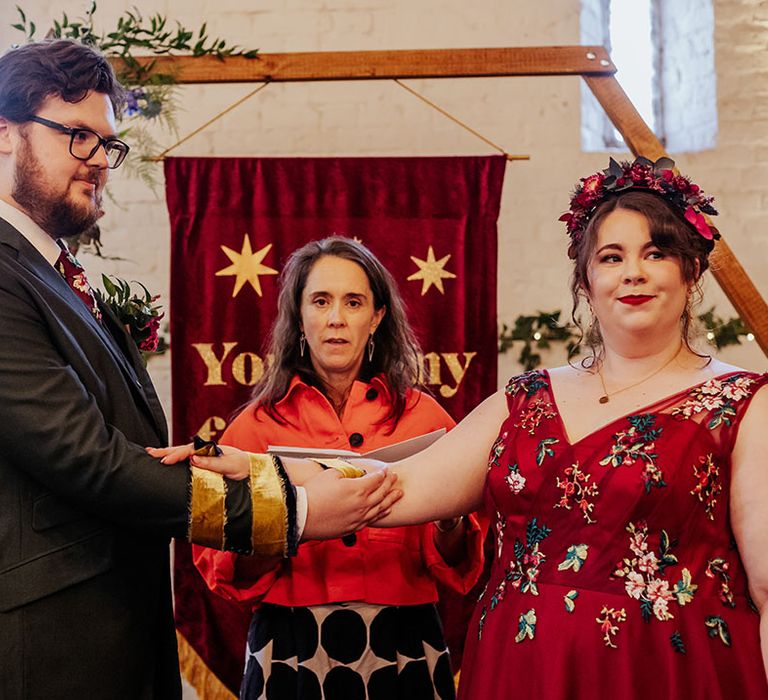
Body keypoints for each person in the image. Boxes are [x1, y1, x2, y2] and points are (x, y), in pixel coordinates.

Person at [173, 157, 768, 698]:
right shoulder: (525, 399)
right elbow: (391, 480)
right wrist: (252, 468)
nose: (632, 273)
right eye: (611, 257)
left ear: (692, 269)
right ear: (586, 281)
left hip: (664, 669)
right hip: (521, 666)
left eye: (656, 252)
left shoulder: (744, 403)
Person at [0, 40, 398, 699]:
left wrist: (261, 471)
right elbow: (88, 461)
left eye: (108, 144)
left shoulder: (52, 275)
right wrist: (290, 511)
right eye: (77, 136)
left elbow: (135, 452)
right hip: (53, 646)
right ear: (6, 134)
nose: (100, 161)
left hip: (111, 629)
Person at [192, 236, 485, 699]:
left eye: (353, 302)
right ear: (299, 317)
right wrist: (289, 519)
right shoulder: (254, 426)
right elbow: (220, 567)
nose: (335, 318)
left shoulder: (426, 418)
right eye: (321, 301)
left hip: (403, 639)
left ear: (377, 317)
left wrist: (450, 518)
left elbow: (464, 563)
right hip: (290, 641)